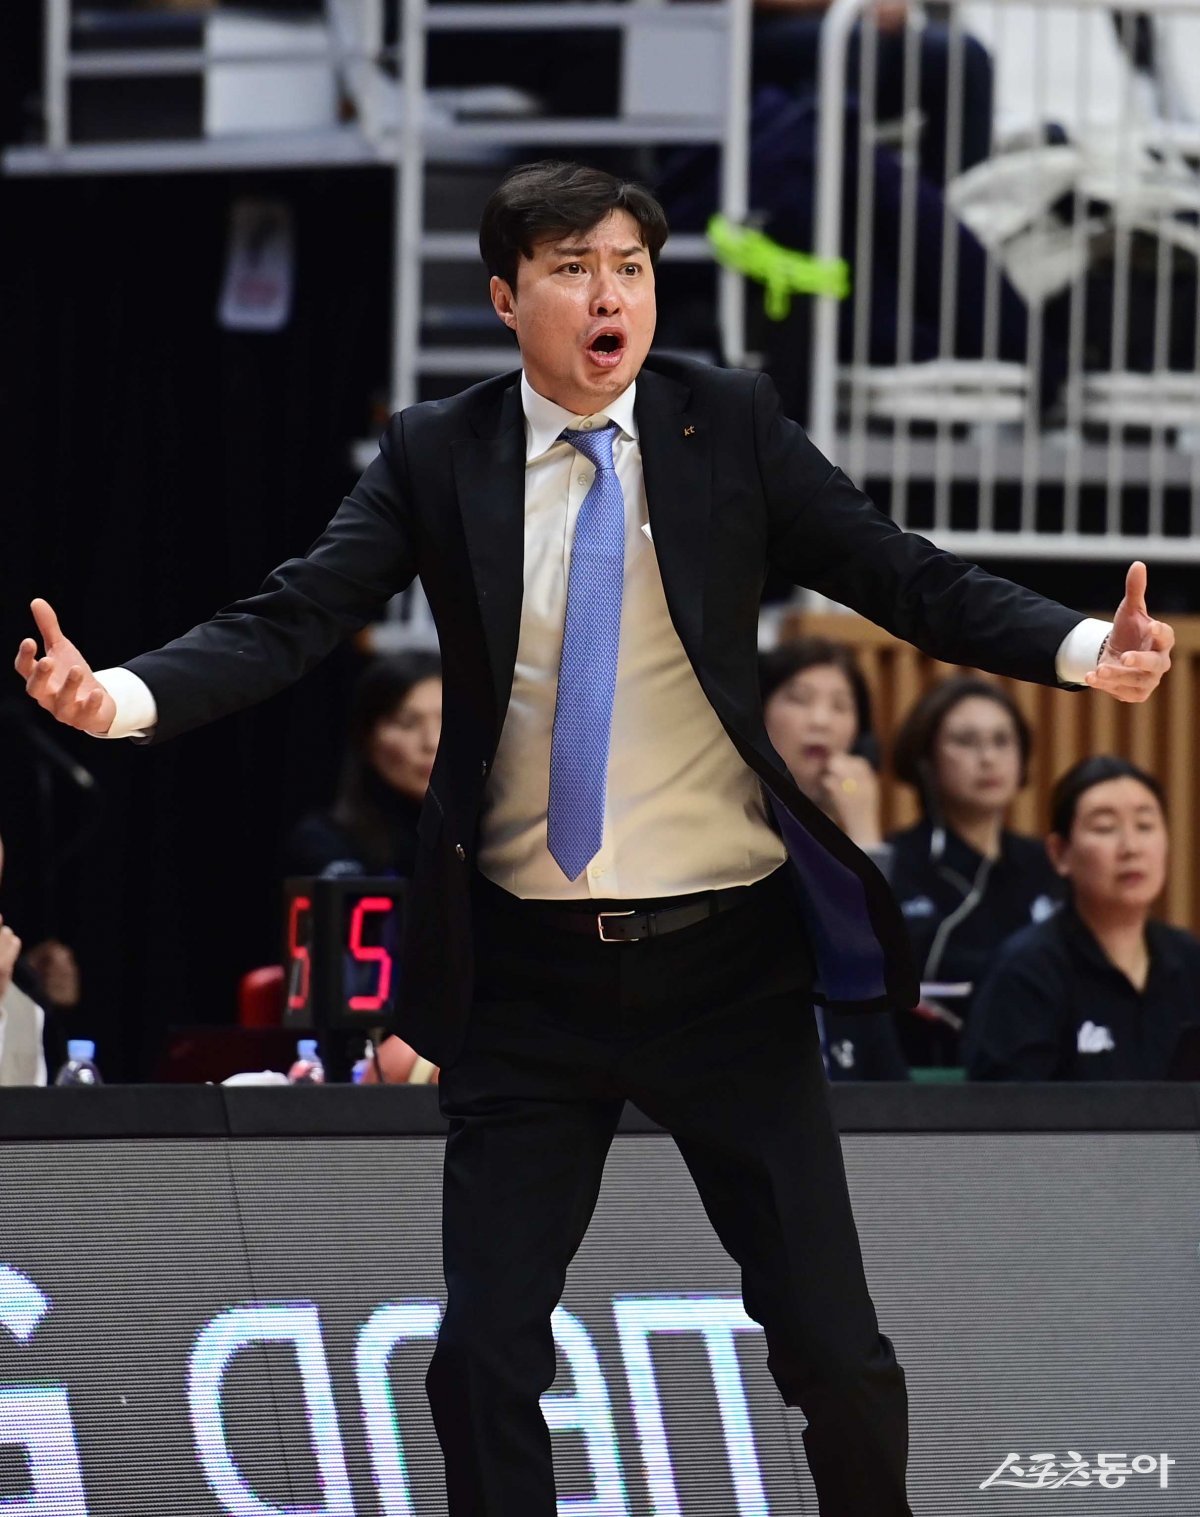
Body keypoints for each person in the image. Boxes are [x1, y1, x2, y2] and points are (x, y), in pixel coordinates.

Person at [15, 160, 1173, 1515]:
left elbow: (902, 574)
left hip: (727, 968)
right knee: (480, 1358)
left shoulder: (725, 423)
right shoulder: (437, 454)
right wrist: (122, 697)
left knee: (833, 1348)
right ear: (508, 300)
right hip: (527, 978)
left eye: (629, 265)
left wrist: (1086, 648)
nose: (607, 293)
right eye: (571, 269)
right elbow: (295, 616)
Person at [966, 757, 1200, 1082]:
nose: (1131, 847)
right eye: (1105, 828)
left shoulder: (1189, 960)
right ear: (1060, 853)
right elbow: (1006, 1107)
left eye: (1145, 826)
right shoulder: (1026, 970)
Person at [887, 676, 1066, 1067]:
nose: (988, 758)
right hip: (926, 1069)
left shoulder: (1048, 864)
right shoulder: (896, 862)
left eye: (1002, 741)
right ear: (926, 760)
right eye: (966, 741)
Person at [761, 635, 908, 1079]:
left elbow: (877, 962)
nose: (820, 720)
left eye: (840, 706)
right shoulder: (736, 826)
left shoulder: (841, 839)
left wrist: (864, 829)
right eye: (799, 700)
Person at [286, 651, 442, 878]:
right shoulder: (326, 843)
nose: (432, 742)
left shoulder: (490, 841)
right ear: (366, 737)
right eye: (407, 723)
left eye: (448, 722)